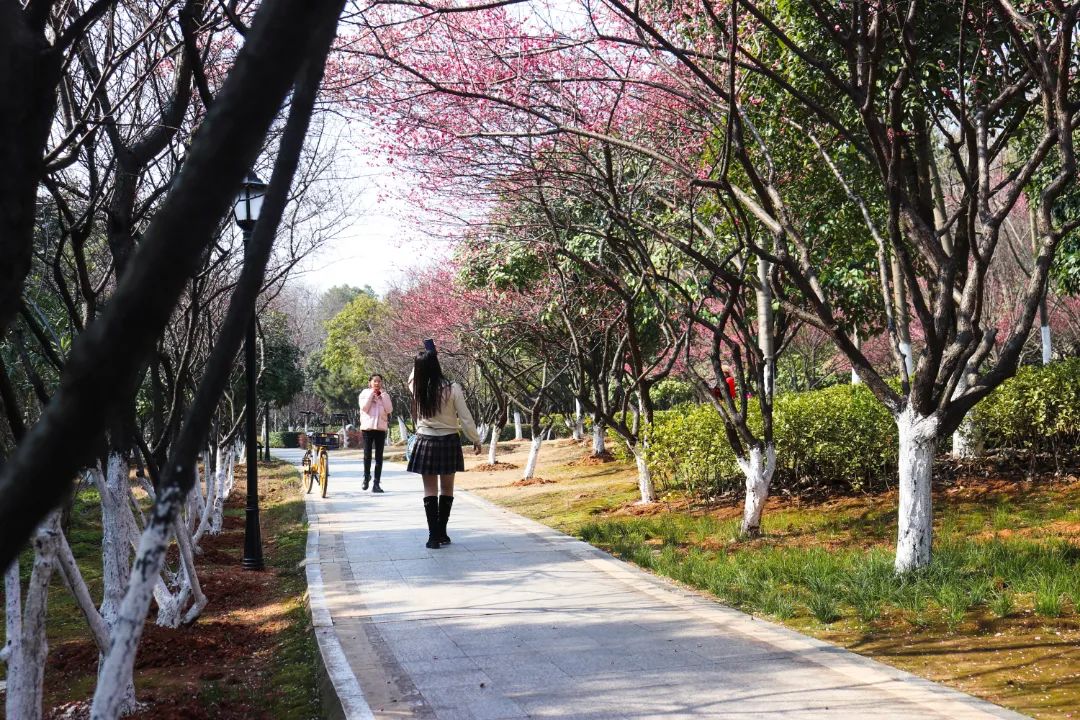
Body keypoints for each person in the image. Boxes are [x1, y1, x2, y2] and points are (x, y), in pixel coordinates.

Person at [407, 342, 482, 549]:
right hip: (449, 441)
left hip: (425, 441)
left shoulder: (416, 388)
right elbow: (465, 417)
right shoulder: (452, 388)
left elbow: (413, 375)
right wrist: (475, 438)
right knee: (446, 488)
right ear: (437, 365)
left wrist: (424, 357)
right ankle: (442, 532)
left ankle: (433, 536)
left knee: (429, 489)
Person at [358, 374, 393, 493]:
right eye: (375, 381)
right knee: (367, 455)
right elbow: (364, 408)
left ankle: (376, 483)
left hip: (380, 429)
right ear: (370, 383)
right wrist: (371, 395)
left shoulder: (385, 395)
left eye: (379, 381)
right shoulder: (364, 393)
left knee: (379, 457)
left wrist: (382, 396)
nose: (377, 383)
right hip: (367, 429)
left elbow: (389, 410)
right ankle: (366, 477)